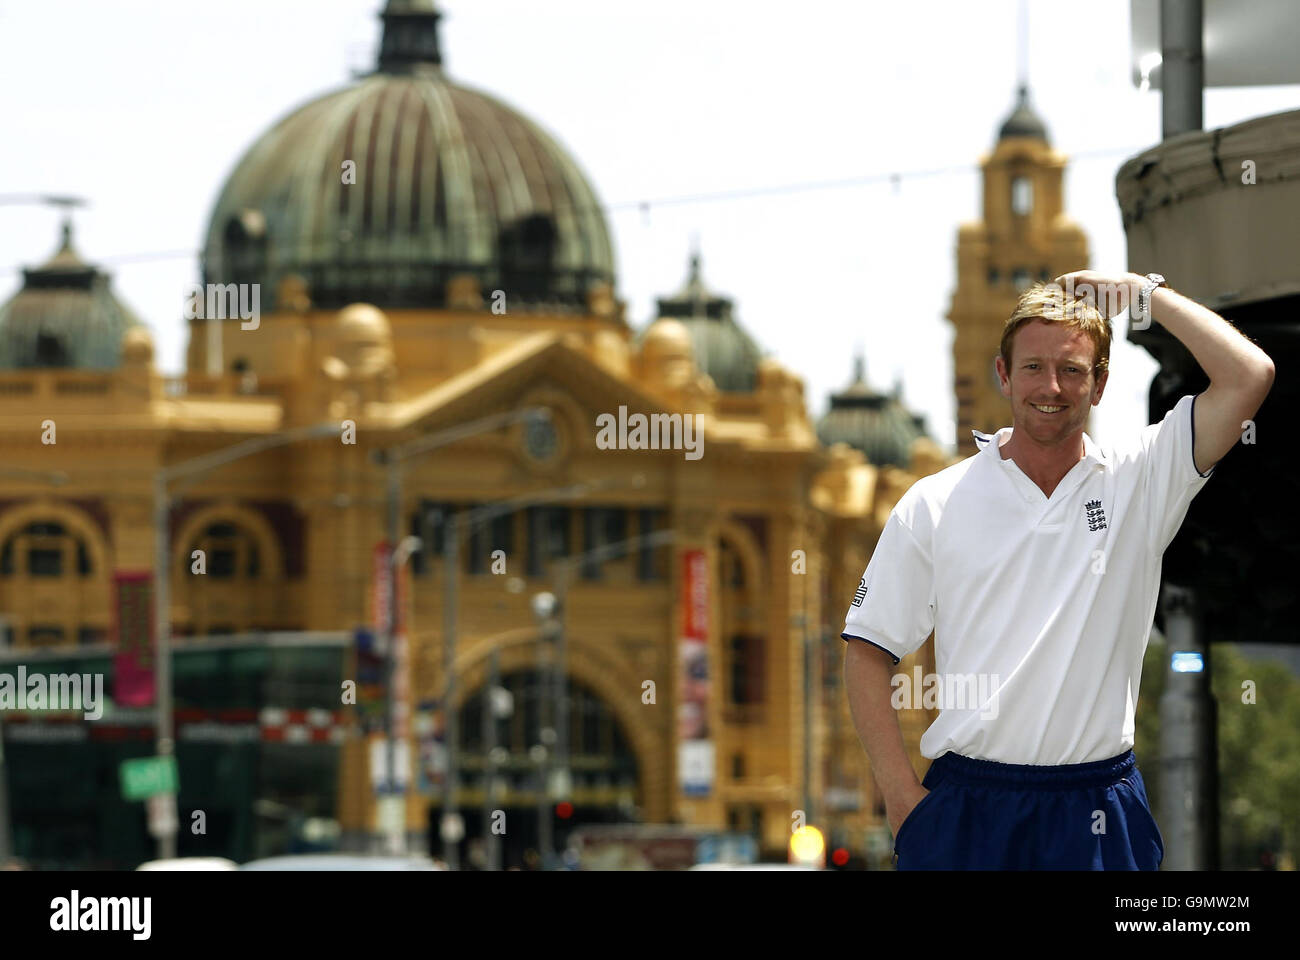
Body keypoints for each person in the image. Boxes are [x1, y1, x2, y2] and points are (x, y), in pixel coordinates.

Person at [842, 271, 1274, 870]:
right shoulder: (934, 502)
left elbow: (1250, 375)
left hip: (1097, 809)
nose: (1052, 387)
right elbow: (867, 649)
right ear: (1003, 375)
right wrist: (902, 800)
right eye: (1033, 367)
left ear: (1099, 385)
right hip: (967, 807)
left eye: (1073, 370)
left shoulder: (1141, 479)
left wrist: (1140, 294)